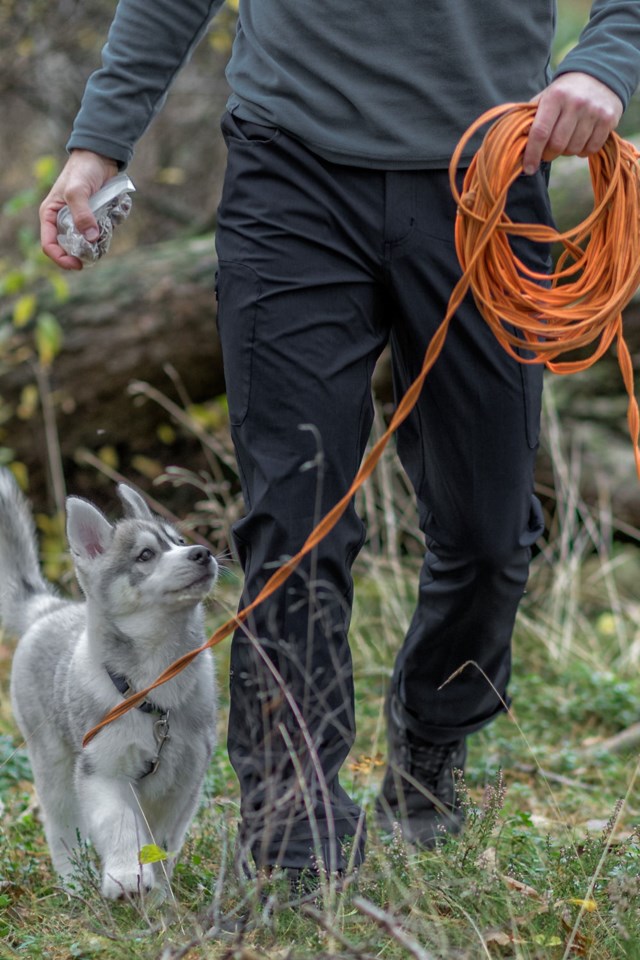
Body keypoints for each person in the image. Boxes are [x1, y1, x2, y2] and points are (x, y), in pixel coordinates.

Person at [40, 1, 640, 881]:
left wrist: (607, 62)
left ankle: (431, 743)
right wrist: (98, 147)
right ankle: (293, 816)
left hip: (488, 176)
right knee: (297, 520)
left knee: (489, 534)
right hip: (293, 178)